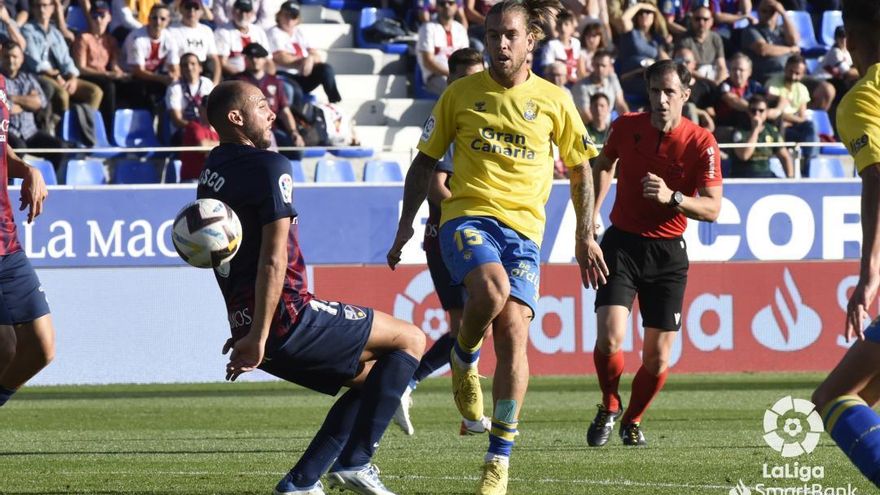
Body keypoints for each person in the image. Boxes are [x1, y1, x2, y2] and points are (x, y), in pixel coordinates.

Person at [387, 1, 607, 492]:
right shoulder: (459, 94)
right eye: (491, 35)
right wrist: (405, 226)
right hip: (468, 218)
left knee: (512, 334)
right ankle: (464, 356)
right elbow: (423, 164)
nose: (499, 44)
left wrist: (584, 234)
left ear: (531, 40)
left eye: (509, 35)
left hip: (525, 233)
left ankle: (498, 460)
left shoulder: (555, 100)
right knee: (491, 289)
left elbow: (580, 168)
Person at [201, 80, 425, 495]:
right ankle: (356, 462)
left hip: (251, 324)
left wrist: (246, 327)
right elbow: (273, 260)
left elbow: (221, 258)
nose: (272, 112)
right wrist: (259, 335)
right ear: (236, 118)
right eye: (262, 105)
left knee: (374, 380)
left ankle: (300, 483)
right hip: (287, 316)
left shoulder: (212, 171)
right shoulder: (270, 166)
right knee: (411, 339)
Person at [586, 60, 722, 448]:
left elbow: (713, 208)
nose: (661, 100)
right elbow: (604, 163)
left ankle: (632, 419)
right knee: (610, 337)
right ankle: (610, 404)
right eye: (654, 91)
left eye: (669, 92)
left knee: (658, 358)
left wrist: (672, 197)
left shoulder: (702, 142)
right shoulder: (626, 126)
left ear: (685, 95)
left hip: (667, 254)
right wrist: (591, 213)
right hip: (621, 245)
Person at [391, 47, 491, 438]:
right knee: (468, 324)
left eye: (476, 78)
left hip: (463, 235)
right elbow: (435, 185)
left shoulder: (476, 115)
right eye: (463, 78)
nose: (470, 85)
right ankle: (407, 383)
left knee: (476, 325)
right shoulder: (452, 118)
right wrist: (474, 214)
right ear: (449, 80)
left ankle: (467, 412)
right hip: (452, 236)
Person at [812, 0, 880, 488]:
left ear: (850, 41)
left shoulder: (861, 99)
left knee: (832, 399)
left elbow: (876, 178)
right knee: (865, 397)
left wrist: (868, 275)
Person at [0, 71, 54, 408]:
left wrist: (27, 169)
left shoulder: (2, 84)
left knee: (39, 348)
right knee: (6, 347)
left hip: (6, 239)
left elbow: (1, 146)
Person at [22, 0, 103, 117]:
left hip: (61, 75)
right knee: (62, 94)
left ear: (52, 8)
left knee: (95, 92)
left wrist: (72, 78)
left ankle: (85, 124)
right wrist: (57, 76)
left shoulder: (56, 33)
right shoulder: (27, 30)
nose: (41, 10)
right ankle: (61, 125)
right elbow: (35, 62)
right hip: (40, 75)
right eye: (37, 6)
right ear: (33, 9)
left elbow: (67, 60)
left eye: (45, 5)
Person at [0, 40, 67, 172]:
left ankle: (47, 181)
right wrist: (27, 102)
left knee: (59, 147)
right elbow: (5, 109)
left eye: (14, 56)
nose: (11, 60)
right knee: (19, 148)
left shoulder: (29, 79)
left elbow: (39, 102)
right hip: (8, 131)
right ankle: (10, 183)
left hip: (30, 132)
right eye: (6, 56)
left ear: (21, 59)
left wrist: (12, 98)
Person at [234, 42, 304, 159]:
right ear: (245, 59)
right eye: (251, 57)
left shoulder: (275, 81)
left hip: (272, 128)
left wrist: (294, 132)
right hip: (248, 130)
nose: (255, 60)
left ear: (265, 59)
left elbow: (284, 110)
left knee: (297, 152)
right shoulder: (238, 81)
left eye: (258, 57)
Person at [72, 0, 133, 129]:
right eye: (94, 16)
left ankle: (131, 127)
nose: (98, 20)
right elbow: (81, 68)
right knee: (109, 86)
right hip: (89, 76)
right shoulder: (83, 38)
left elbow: (114, 64)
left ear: (109, 18)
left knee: (134, 86)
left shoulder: (111, 40)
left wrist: (120, 74)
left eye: (102, 16)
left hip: (105, 75)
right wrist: (107, 74)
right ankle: (109, 127)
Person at [267, 1, 340, 106]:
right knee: (295, 90)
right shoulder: (273, 32)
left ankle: (334, 103)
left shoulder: (299, 32)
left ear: (297, 19)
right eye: (286, 15)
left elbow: (316, 56)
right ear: (279, 15)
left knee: (326, 69)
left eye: (293, 16)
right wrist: (304, 61)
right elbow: (280, 57)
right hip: (285, 76)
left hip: (304, 74)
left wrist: (310, 59)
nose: (289, 19)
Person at [122, 3, 181, 112]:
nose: (158, 22)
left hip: (155, 75)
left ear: (168, 21)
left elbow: (175, 67)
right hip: (131, 77)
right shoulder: (136, 38)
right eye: (154, 18)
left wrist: (173, 77)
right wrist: (162, 79)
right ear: (148, 18)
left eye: (162, 19)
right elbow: (138, 71)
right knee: (146, 89)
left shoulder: (170, 38)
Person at [765, 54, 819, 171]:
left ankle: (808, 164)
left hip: (792, 127)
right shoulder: (773, 83)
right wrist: (787, 118)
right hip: (775, 127)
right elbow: (774, 112)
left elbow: (802, 118)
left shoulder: (802, 90)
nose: (793, 76)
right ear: (785, 68)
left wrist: (787, 118)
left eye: (797, 73)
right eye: (791, 71)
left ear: (802, 74)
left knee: (810, 127)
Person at [729, 94, 793, 178]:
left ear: (766, 112)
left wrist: (790, 179)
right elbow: (744, 156)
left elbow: (784, 156)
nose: (757, 113)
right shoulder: (739, 131)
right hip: (744, 176)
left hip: (766, 175)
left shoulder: (771, 130)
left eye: (761, 110)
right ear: (748, 112)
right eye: (753, 110)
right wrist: (755, 129)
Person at [416, 0, 469, 96]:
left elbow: (466, 60)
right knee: (457, 90)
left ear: (456, 6)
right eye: (442, 3)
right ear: (436, 6)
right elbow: (428, 62)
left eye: (451, 3)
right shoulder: (427, 28)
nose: (446, 6)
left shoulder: (461, 29)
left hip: (459, 77)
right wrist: (453, 75)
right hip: (436, 77)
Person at [741, 0, 799, 83]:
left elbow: (794, 41)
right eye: (764, 11)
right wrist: (790, 49)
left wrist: (783, 14)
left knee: (818, 85)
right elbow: (763, 49)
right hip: (768, 76)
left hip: (790, 75)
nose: (768, 15)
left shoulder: (783, 29)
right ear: (758, 12)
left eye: (772, 11)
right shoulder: (751, 29)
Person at [169, 0, 221, 86]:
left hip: (203, 72)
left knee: (210, 64)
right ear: (181, 9)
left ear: (201, 11)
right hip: (182, 71)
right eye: (188, 7)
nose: (191, 11)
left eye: (196, 8)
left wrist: (215, 83)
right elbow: (173, 62)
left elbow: (215, 59)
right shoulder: (171, 30)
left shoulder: (206, 30)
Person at [166, 52, 214, 145]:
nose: (189, 67)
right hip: (183, 131)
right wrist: (197, 128)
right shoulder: (174, 87)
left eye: (193, 64)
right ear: (180, 69)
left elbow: (214, 111)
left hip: (207, 129)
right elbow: (177, 120)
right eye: (185, 65)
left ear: (200, 67)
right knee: (197, 136)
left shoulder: (207, 83)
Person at [572, 49, 629, 126]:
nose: (600, 69)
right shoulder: (581, 87)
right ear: (592, 65)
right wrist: (603, 130)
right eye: (597, 65)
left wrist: (629, 122)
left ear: (610, 67)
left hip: (608, 125)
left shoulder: (612, 79)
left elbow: (620, 104)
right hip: (589, 128)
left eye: (603, 66)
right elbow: (586, 115)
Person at [675, 5, 728, 84]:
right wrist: (709, 82)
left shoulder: (716, 38)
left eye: (705, 19)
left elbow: (721, 66)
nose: (701, 22)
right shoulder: (684, 39)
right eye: (697, 19)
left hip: (713, 74)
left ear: (711, 21)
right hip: (693, 77)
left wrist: (718, 82)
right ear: (692, 20)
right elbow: (686, 67)